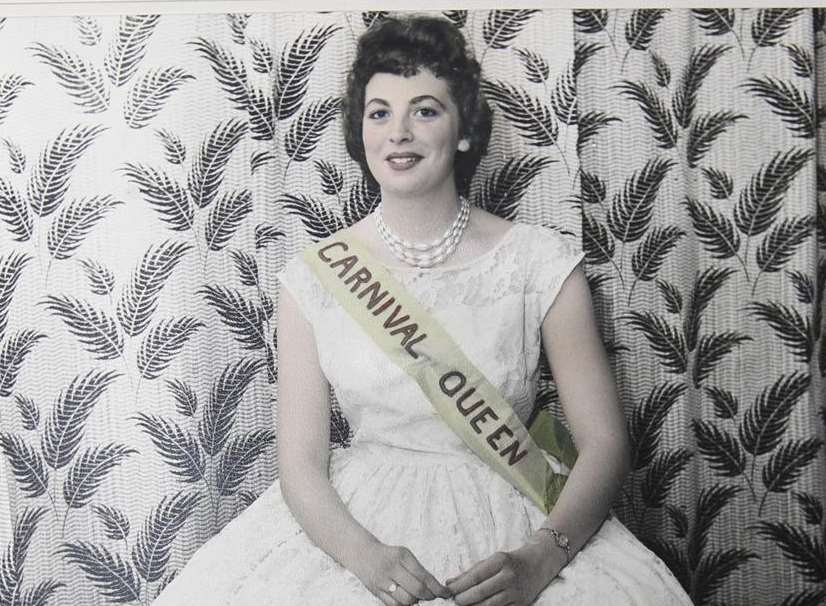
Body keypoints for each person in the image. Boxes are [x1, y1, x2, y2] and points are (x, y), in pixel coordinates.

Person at [154, 14, 693, 606]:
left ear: (463, 131)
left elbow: (604, 443)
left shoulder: (539, 263)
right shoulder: (314, 277)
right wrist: (365, 559)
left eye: (426, 110)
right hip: (359, 526)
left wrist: (540, 560)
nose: (399, 132)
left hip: (516, 512)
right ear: (361, 135)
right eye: (379, 112)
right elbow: (300, 465)